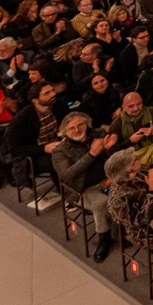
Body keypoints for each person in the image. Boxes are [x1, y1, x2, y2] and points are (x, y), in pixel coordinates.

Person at [51, 111, 120, 262]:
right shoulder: (60, 152)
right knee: (100, 203)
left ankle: (123, 229)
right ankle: (104, 238)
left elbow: (113, 159)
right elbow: (67, 175)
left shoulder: (98, 134)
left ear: (87, 124)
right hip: (81, 189)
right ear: (65, 132)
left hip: (108, 180)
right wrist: (91, 154)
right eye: (72, 128)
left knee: (126, 192)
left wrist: (109, 148)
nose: (77, 130)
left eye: (80, 125)